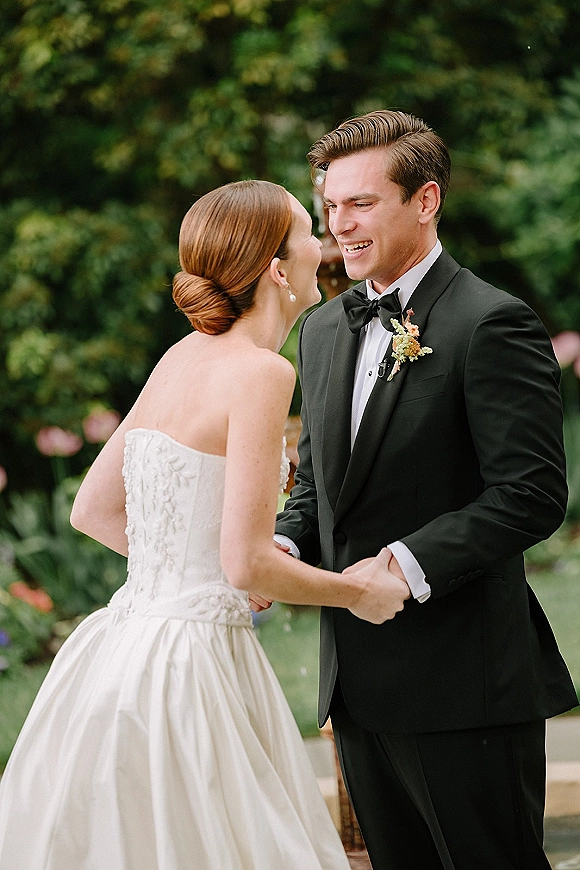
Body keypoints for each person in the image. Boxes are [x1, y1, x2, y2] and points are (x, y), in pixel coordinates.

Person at [0, 179, 402, 870]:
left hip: (120, 649)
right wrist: (359, 594)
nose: (323, 242)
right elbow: (247, 565)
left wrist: (186, 576)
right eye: (309, 230)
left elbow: (90, 509)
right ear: (278, 269)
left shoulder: (180, 356)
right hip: (193, 670)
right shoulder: (260, 373)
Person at [274, 110, 578, 870]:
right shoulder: (320, 330)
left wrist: (404, 565)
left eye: (361, 203)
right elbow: (318, 485)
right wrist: (278, 545)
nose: (340, 225)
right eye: (330, 205)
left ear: (426, 200)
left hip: (466, 687)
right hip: (357, 690)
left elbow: (531, 493)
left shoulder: (492, 323)